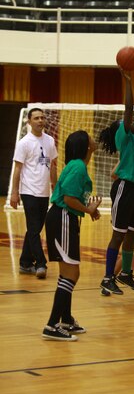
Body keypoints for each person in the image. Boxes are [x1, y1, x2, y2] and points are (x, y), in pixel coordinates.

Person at [42, 130, 101, 341]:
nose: (94, 139)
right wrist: (88, 210)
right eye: (90, 137)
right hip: (62, 218)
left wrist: (89, 209)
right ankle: (51, 325)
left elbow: (73, 198)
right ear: (86, 145)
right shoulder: (77, 166)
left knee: (68, 272)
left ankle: (65, 319)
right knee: (71, 274)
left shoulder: (78, 165)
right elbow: (67, 198)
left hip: (65, 218)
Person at [99, 65, 134, 296]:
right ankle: (108, 278)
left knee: (132, 234)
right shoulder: (124, 136)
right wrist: (127, 80)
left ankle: (126, 273)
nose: (126, 119)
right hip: (124, 188)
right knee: (118, 235)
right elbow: (129, 108)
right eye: (123, 120)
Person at [10, 107, 58, 279]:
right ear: (29, 122)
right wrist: (14, 193)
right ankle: (41, 264)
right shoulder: (24, 143)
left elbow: (52, 165)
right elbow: (17, 169)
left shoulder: (50, 141)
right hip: (28, 191)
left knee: (35, 229)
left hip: (44, 192)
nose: (40, 121)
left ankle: (24, 263)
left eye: (42, 118)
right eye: (36, 118)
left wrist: (55, 187)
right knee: (34, 228)